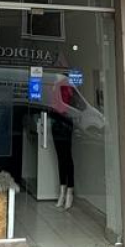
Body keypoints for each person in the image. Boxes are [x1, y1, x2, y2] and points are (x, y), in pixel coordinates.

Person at [51, 74, 75, 209]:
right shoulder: (55, 84)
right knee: (60, 158)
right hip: (56, 123)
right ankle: (62, 192)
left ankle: (69, 191)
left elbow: (65, 105)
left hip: (65, 123)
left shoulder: (66, 84)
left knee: (67, 157)